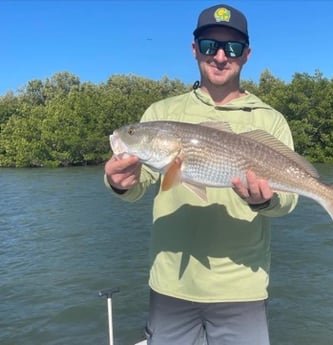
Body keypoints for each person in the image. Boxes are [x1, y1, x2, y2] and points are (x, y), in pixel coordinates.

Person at [104, 4, 298, 345]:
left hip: (242, 287)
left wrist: (266, 201)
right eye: (210, 45)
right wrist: (120, 183)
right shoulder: (161, 112)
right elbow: (142, 183)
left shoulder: (270, 120)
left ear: (247, 54)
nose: (220, 56)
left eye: (232, 48)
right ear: (194, 49)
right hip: (170, 284)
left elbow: (289, 201)